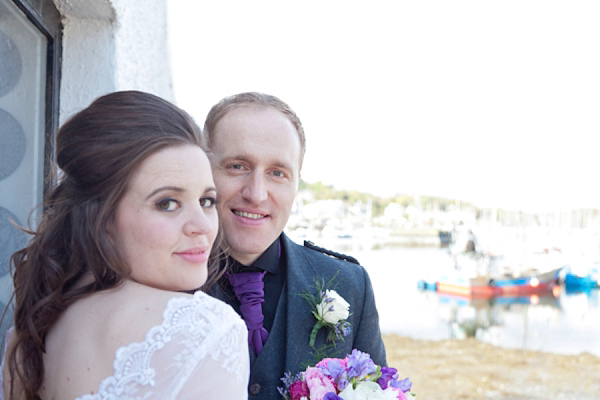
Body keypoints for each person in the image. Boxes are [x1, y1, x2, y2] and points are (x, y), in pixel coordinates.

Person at [0, 91, 249, 400]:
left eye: (206, 200)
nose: (202, 225)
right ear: (102, 217)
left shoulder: (27, 337)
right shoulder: (206, 331)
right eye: (167, 203)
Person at [203, 92, 386, 398]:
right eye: (237, 166)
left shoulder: (350, 284)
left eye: (277, 173)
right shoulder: (161, 286)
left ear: (296, 183)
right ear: (203, 170)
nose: (257, 193)